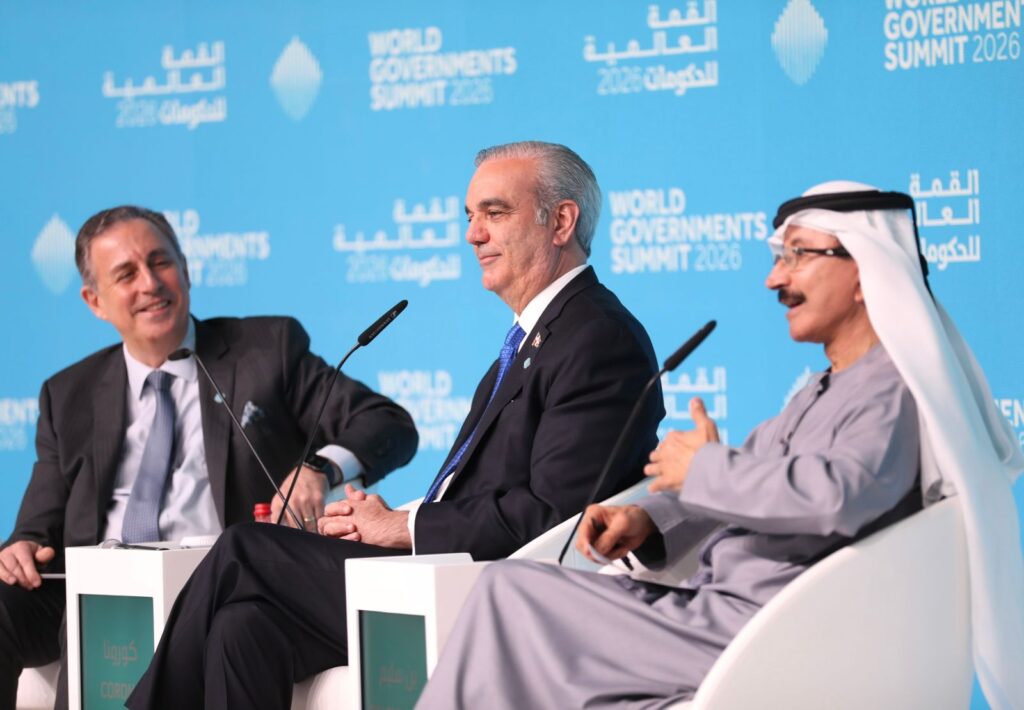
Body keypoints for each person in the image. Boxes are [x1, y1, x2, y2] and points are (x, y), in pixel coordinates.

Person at [417, 180, 1024, 709]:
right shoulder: (822, 390)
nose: (775, 279)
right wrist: (648, 521)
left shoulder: (895, 393)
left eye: (797, 256)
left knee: (508, 593)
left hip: (762, 632)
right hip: (710, 613)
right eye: (779, 258)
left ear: (865, 271)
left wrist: (706, 467)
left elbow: (837, 496)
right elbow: (746, 483)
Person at [126, 141, 664, 709]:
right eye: (470, 216)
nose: (473, 234)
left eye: (495, 212)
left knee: (245, 549)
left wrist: (406, 528)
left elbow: (557, 517)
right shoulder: (539, 336)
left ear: (560, 222)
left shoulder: (597, 337)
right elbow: (491, 490)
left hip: (499, 596)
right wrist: (387, 519)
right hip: (447, 573)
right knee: (244, 627)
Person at [0, 205, 419, 708]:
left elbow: (387, 423)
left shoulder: (265, 349)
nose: (150, 283)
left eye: (161, 262)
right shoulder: (68, 393)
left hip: (219, 581)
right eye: (126, 274)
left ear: (186, 268)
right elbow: (35, 529)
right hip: (101, 593)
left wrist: (318, 468)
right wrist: (21, 546)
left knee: (237, 619)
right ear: (95, 301)